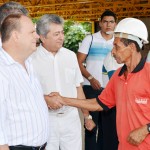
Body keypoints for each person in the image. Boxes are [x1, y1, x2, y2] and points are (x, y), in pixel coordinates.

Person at [49, 18, 150, 150]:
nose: (112, 52)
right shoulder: (118, 76)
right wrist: (63, 100)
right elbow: (98, 103)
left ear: (131, 47)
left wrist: (146, 129)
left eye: (116, 46)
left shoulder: (148, 74)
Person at [31, 14, 94, 150]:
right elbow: (26, 92)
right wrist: (45, 99)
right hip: (46, 120)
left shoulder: (70, 56)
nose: (62, 37)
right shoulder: (31, 59)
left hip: (70, 118)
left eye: (62, 32)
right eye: (56, 34)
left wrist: (87, 116)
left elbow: (78, 88)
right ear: (42, 37)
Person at [0, 14, 49, 150]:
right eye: (32, 32)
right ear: (16, 36)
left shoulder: (28, 62)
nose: (37, 36)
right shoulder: (2, 68)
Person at [77, 10, 117, 150]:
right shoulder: (91, 39)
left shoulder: (117, 41)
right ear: (100, 23)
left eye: (111, 22)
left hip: (111, 90)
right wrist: (90, 78)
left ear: (115, 24)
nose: (108, 25)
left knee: (108, 127)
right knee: (90, 125)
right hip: (91, 87)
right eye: (105, 21)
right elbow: (78, 62)